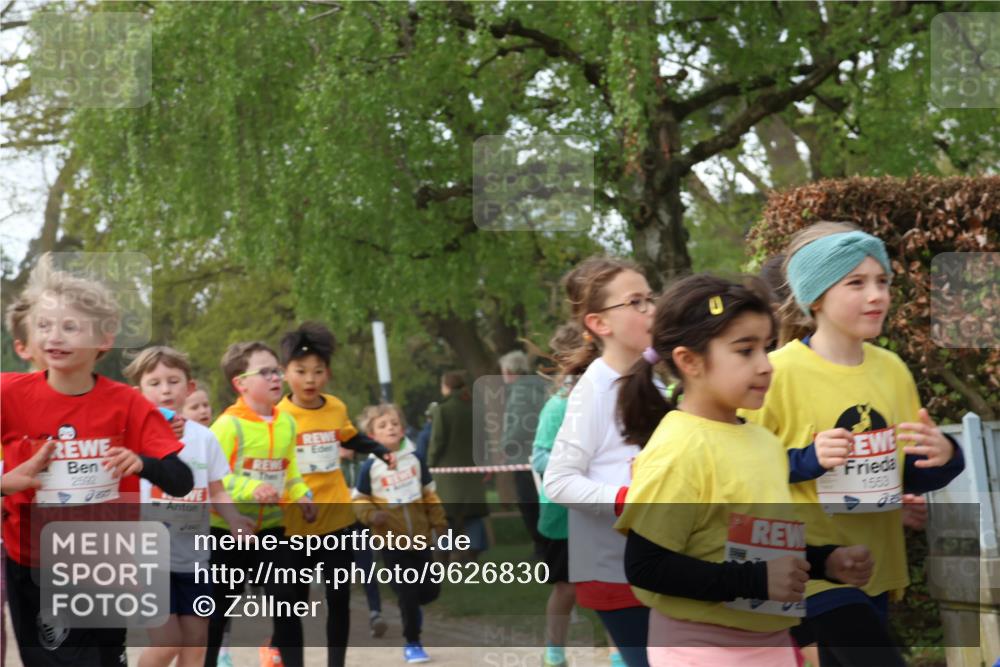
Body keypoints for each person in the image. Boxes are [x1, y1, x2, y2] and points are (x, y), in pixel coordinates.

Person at [615, 273, 874, 667]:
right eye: (745, 350)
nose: (766, 366)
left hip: (772, 643)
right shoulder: (679, 448)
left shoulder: (764, 442)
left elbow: (759, 543)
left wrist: (826, 561)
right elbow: (646, 566)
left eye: (767, 348)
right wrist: (754, 581)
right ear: (690, 361)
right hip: (698, 650)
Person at [744, 223, 965, 666]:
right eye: (856, 283)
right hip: (807, 571)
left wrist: (945, 459)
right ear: (816, 297)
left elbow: (901, 471)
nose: (877, 295)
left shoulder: (893, 369)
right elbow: (739, 469)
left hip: (875, 566)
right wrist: (807, 461)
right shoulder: (776, 372)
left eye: (882, 281)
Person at [1, 253, 193, 667]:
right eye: (45, 326)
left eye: (71, 327)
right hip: (35, 565)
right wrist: (5, 483)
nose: (56, 336)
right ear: (30, 339)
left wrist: (142, 462)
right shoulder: (10, 395)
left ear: (104, 340)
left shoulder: (126, 403)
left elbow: (181, 479)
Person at [543, 256, 657, 667]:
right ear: (599, 323)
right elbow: (557, 481)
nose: (651, 310)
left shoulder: (657, 379)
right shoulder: (592, 390)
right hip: (614, 572)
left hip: (662, 563)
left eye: (651, 298)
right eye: (636, 302)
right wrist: (628, 499)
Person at [268, 322, 395, 667]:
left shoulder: (335, 408)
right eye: (301, 371)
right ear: (284, 373)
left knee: (338, 599)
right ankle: (285, 655)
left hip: (337, 521)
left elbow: (349, 437)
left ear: (328, 373)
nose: (310, 379)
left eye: (318, 371)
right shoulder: (277, 416)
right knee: (288, 602)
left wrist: (380, 450)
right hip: (293, 525)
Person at [126, 346, 255, 667]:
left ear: (190, 387)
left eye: (173, 380)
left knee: (197, 642)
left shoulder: (205, 438)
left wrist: (235, 520)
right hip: (150, 560)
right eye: (154, 383)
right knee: (168, 642)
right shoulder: (132, 438)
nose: (165, 389)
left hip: (194, 560)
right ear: (137, 392)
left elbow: (217, 491)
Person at [202, 341, 316, 667]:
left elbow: (290, 471)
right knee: (216, 613)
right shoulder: (227, 425)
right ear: (241, 383)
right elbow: (213, 479)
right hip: (227, 532)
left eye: (277, 370)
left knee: (288, 603)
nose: (275, 377)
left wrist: (302, 495)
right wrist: (251, 487)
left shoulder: (287, 422)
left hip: (271, 530)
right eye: (264, 372)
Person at [353, 404, 448, 664]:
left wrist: (439, 522)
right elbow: (359, 500)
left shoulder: (416, 460)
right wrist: (372, 515)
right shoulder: (370, 468)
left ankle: (411, 602)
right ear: (372, 437)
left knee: (429, 592)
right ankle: (413, 642)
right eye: (383, 426)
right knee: (407, 593)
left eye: (394, 423)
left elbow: (430, 494)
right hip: (391, 542)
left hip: (420, 538)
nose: (391, 428)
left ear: (403, 428)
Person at [530, 323, 584, 667]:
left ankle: (620, 655)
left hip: (603, 509)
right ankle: (554, 653)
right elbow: (539, 457)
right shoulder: (558, 407)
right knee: (567, 588)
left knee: (617, 588)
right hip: (562, 514)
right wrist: (580, 464)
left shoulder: (614, 394)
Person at [427, 371, 489, 562]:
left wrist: (430, 463)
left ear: (446, 387)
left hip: (448, 474)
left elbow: (437, 440)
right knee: (474, 514)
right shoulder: (475, 408)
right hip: (472, 472)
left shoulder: (443, 410)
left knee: (446, 516)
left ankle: (445, 553)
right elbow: (484, 439)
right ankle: (473, 551)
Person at [499, 350, 549, 559]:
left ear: (509, 371)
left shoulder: (519, 391)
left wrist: (505, 446)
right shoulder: (540, 386)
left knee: (529, 503)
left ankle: (542, 547)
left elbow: (519, 425)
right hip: (541, 453)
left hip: (523, 457)